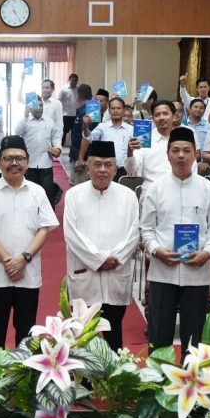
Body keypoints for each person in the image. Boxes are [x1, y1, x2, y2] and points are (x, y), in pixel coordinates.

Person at [0, 135, 59, 351]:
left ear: (27, 161)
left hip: (28, 276)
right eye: (8, 158)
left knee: (26, 335)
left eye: (19, 158)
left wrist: (24, 258)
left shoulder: (38, 192)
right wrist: (9, 261)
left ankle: (24, 379)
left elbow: (44, 228)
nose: (14, 163)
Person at [140, 127, 210, 359]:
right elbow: (146, 229)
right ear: (168, 154)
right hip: (162, 271)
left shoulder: (209, 189)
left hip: (197, 272)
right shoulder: (155, 189)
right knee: (160, 332)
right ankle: (159, 382)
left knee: (194, 333)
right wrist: (156, 250)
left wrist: (207, 252)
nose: (181, 155)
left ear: (196, 154)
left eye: (187, 150)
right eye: (175, 150)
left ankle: (192, 382)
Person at [63, 141, 140, 352]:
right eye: (97, 164)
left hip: (117, 272)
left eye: (108, 164)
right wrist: (99, 260)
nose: (103, 169)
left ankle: (113, 381)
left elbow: (134, 232)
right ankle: (84, 382)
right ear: (87, 168)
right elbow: (72, 234)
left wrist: (116, 258)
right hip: (84, 273)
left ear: (116, 169)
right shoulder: (74, 195)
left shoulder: (128, 196)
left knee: (114, 333)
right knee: (83, 335)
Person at [15, 99, 63, 208]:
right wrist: (25, 116)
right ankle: (29, 218)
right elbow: (17, 131)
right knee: (29, 194)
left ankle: (47, 220)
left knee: (47, 193)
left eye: (41, 105)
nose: (40, 108)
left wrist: (58, 148)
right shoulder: (25, 121)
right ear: (30, 108)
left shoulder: (49, 121)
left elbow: (56, 137)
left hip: (46, 163)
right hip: (29, 164)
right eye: (37, 106)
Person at [125, 100, 177, 194]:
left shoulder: (181, 138)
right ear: (153, 118)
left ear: (173, 116)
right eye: (157, 115)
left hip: (176, 191)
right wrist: (130, 152)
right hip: (151, 192)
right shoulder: (144, 139)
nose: (161, 118)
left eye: (165, 114)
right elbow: (131, 171)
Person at [80, 96, 133, 180]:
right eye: (113, 108)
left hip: (124, 171)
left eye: (119, 108)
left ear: (123, 110)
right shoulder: (102, 126)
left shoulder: (131, 129)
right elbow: (89, 138)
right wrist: (85, 127)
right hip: (105, 170)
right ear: (109, 111)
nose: (116, 110)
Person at [68, 84, 93, 186]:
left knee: (80, 185)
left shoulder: (88, 111)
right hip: (79, 154)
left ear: (79, 96)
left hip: (83, 157)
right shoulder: (83, 109)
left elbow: (87, 137)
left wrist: (80, 158)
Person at [57, 74, 80, 145]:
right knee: (63, 133)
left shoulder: (78, 89)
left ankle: (73, 149)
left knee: (74, 133)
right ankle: (59, 149)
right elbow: (59, 101)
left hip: (75, 115)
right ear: (69, 80)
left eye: (76, 81)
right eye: (72, 80)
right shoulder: (64, 89)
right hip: (65, 115)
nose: (74, 82)